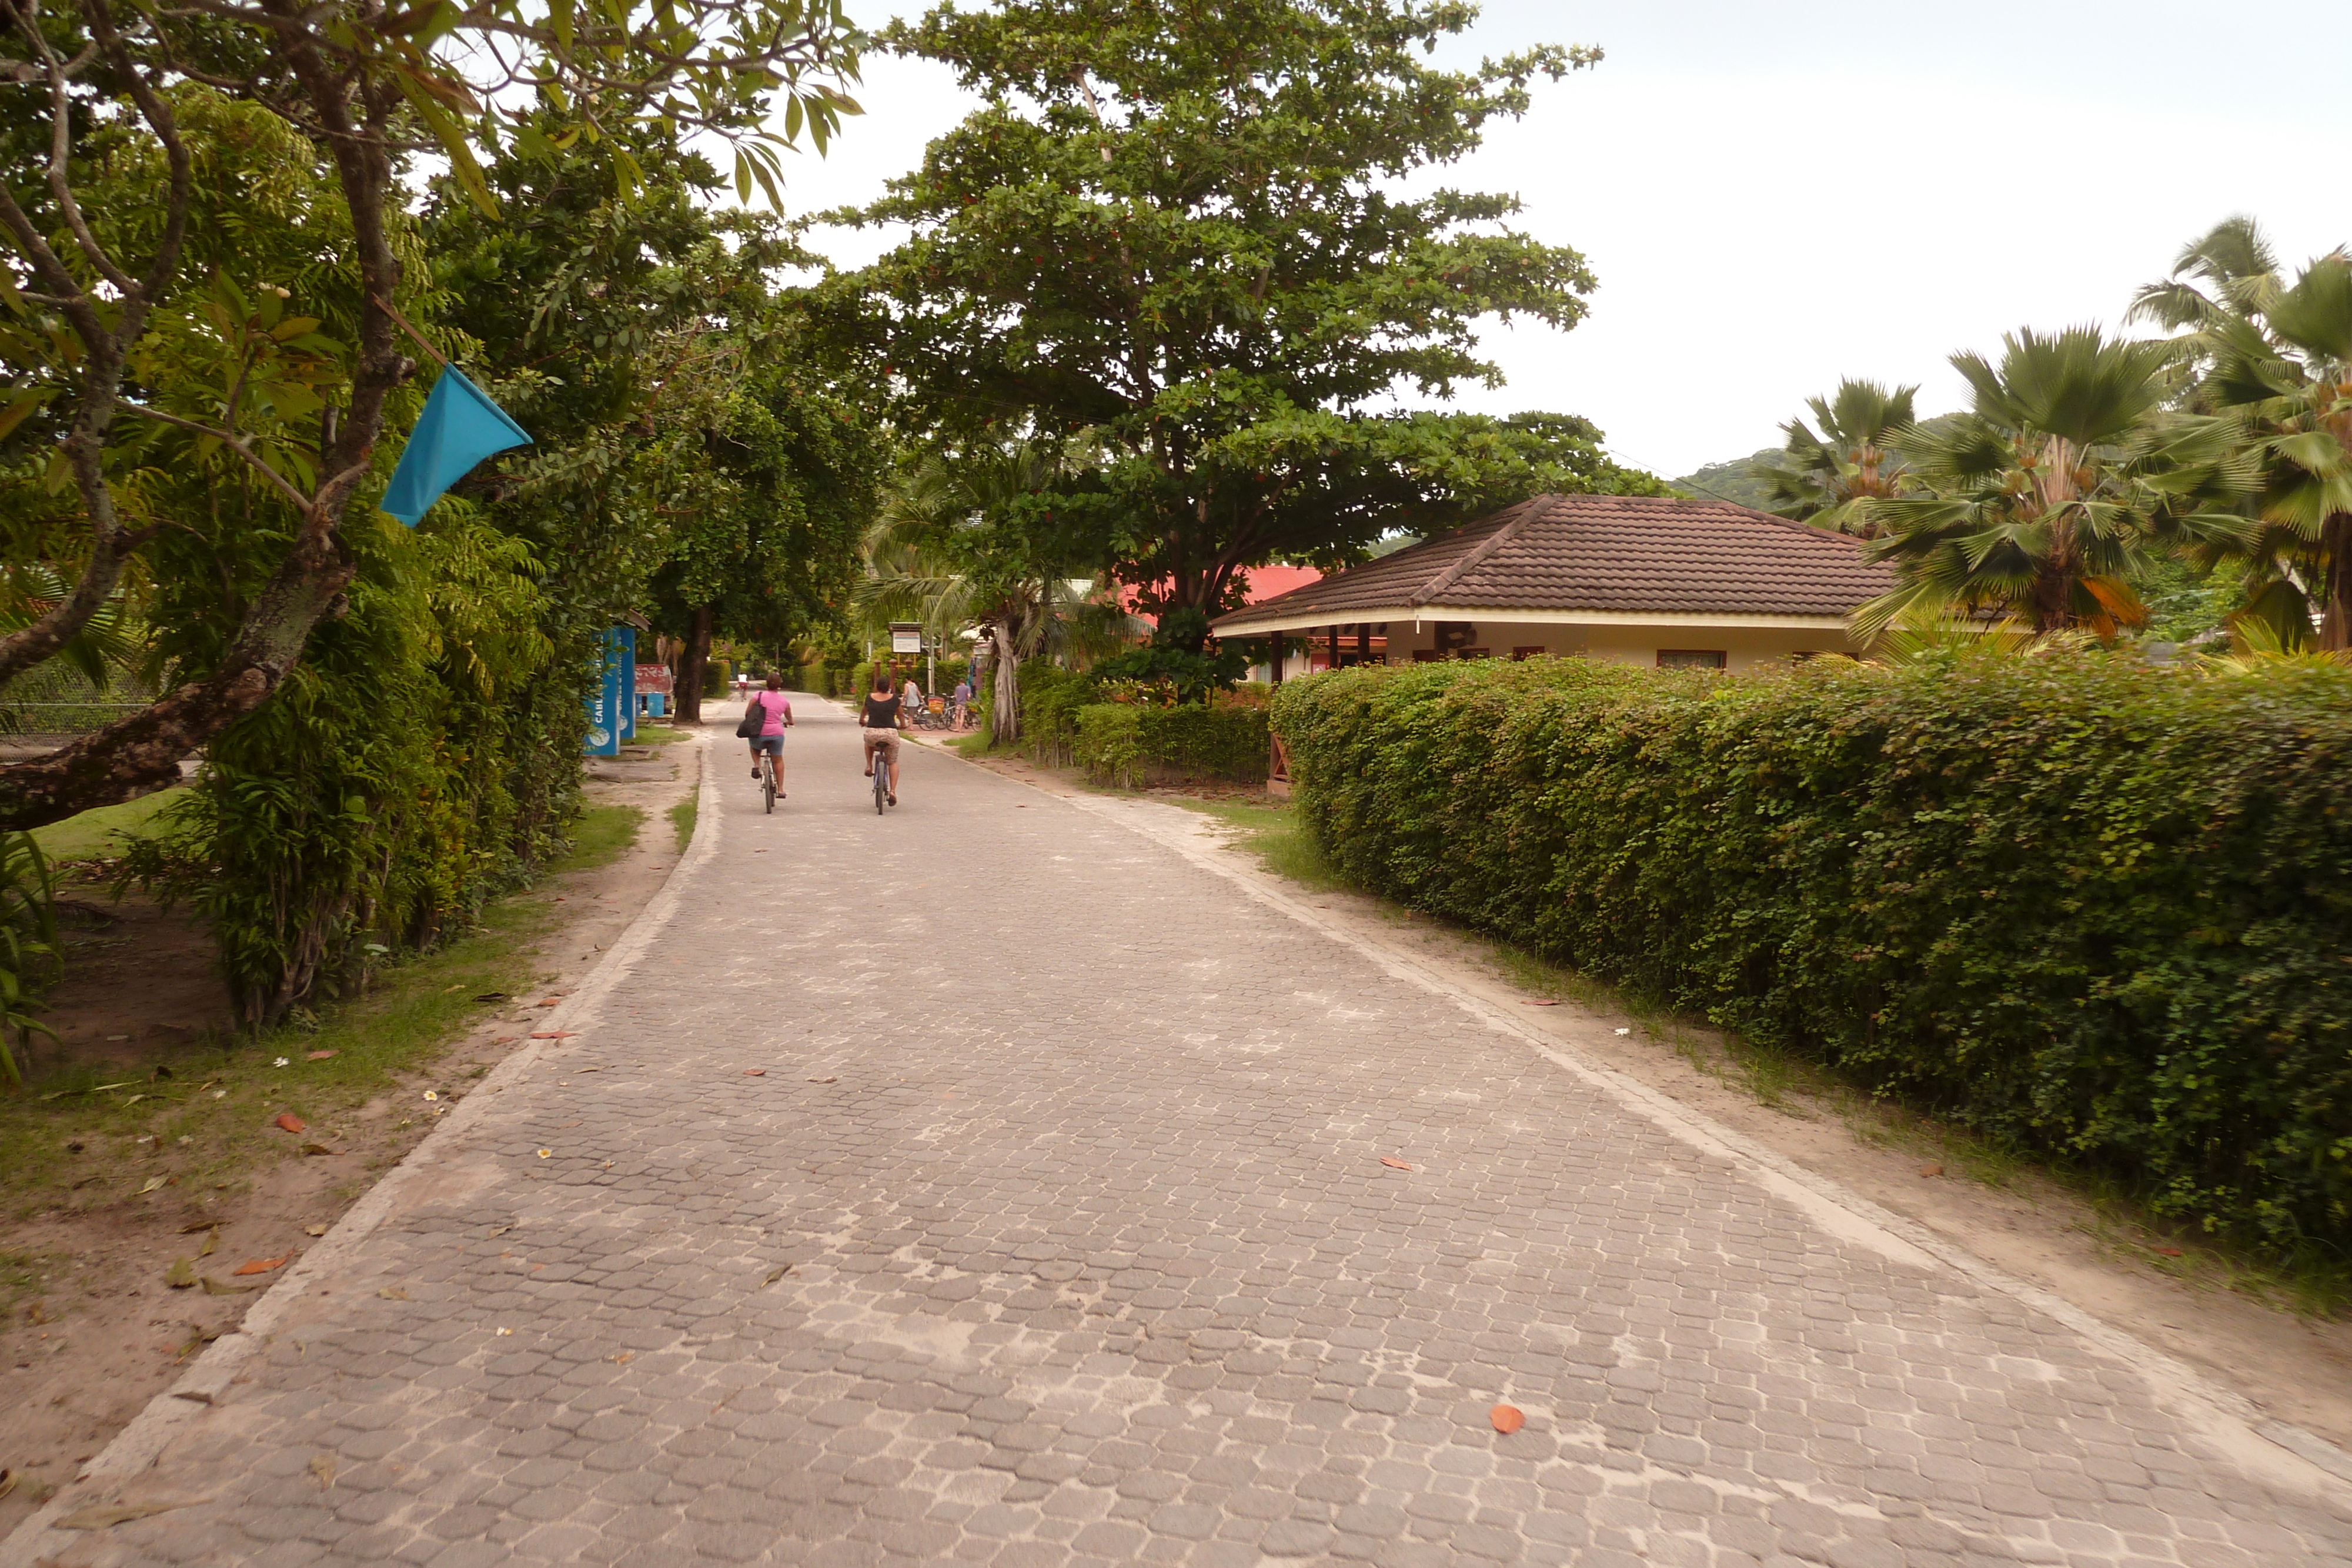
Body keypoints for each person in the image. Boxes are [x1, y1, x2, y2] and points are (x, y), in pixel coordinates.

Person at [860, 667, 905, 805]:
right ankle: (892, 791)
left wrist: (862, 721)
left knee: (869, 743)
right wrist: (903, 725)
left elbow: (864, 712)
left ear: (876, 687)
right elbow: (901, 714)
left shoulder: (870, 697)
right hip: (890, 733)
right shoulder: (895, 699)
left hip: (873, 732)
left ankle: (869, 766)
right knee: (892, 761)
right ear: (889, 687)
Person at [745, 674, 793, 793]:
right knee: (778, 760)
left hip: (758, 732)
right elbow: (790, 719)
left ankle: (757, 765)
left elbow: (748, 713)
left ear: (767, 684)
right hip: (776, 734)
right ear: (779, 685)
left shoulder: (758, 696)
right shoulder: (784, 701)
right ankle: (781, 790)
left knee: (754, 747)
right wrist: (790, 722)